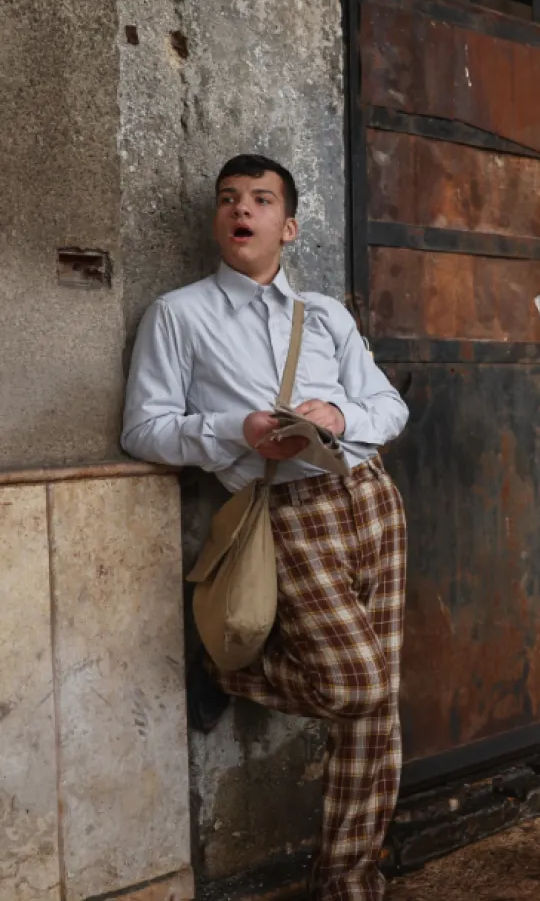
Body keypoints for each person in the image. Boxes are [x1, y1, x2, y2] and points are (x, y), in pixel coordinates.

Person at [122, 154, 410, 901]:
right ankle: (226, 668)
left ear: (289, 225)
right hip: (285, 514)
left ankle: (348, 881)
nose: (239, 210)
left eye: (258, 199)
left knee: (376, 713)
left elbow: (389, 407)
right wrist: (237, 429)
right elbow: (144, 430)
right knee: (359, 686)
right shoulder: (178, 314)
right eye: (227, 199)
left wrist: (341, 415)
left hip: (370, 498)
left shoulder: (326, 315)